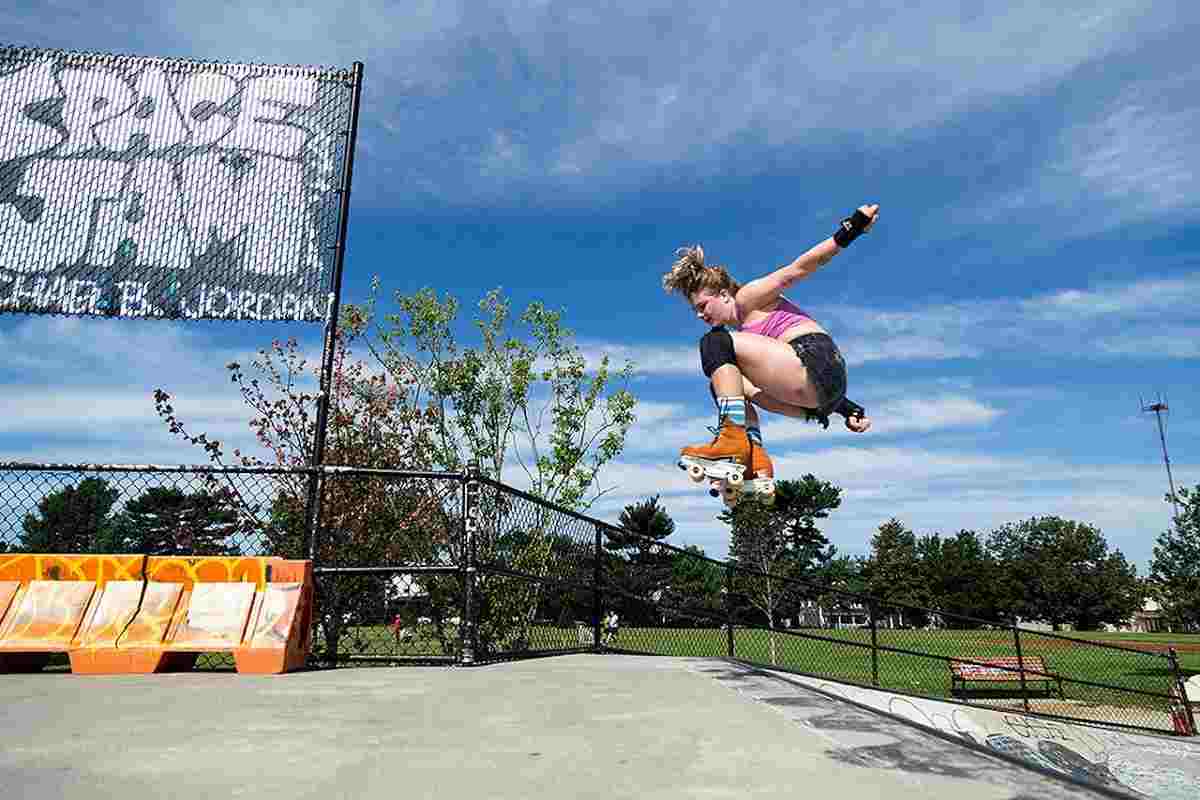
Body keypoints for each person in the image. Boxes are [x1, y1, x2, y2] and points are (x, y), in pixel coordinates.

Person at [662, 204, 879, 485]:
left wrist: (849, 232)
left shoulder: (747, 298)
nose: (702, 315)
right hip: (820, 392)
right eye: (696, 312)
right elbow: (789, 372)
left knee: (715, 344)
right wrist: (847, 409)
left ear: (724, 294)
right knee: (727, 383)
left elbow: (797, 270)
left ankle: (731, 440)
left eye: (703, 306)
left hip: (814, 357)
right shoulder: (745, 342)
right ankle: (753, 457)